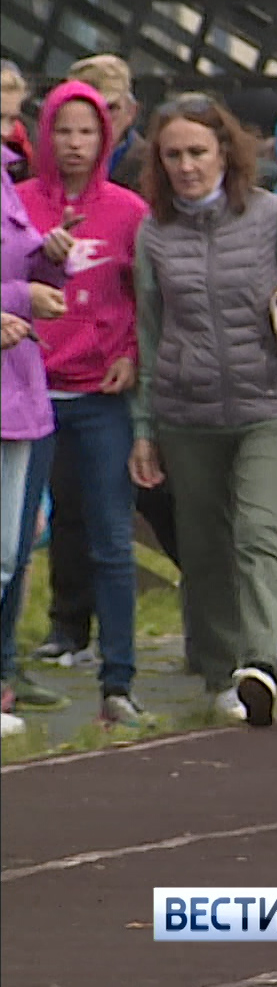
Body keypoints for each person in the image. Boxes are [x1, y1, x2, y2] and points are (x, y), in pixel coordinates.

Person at [127, 93, 277, 726]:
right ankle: (216, 667)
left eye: (197, 152)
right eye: (171, 155)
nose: (186, 166)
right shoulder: (153, 232)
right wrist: (145, 427)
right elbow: (149, 333)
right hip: (186, 411)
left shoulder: (272, 217)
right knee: (201, 548)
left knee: (258, 530)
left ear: (226, 152)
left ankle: (261, 665)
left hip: (272, 405)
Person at [18, 80, 152, 726]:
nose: (73, 144)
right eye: (62, 131)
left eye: (86, 132)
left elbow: (145, 299)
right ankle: (9, 675)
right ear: (44, 135)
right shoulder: (17, 205)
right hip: (27, 392)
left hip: (101, 395)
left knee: (109, 538)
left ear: (106, 138)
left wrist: (131, 352)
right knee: (15, 543)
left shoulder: (129, 212)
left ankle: (119, 680)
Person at [1, 142, 70, 723]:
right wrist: (22, 297)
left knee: (8, 555)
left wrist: (50, 258)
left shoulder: (5, 176)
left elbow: (21, 268)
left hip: (19, 390)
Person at [64, 55, 143, 191]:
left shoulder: (153, 170)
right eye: (88, 108)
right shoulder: (44, 162)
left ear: (131, 112)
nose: (100, 119)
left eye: (110, 108)